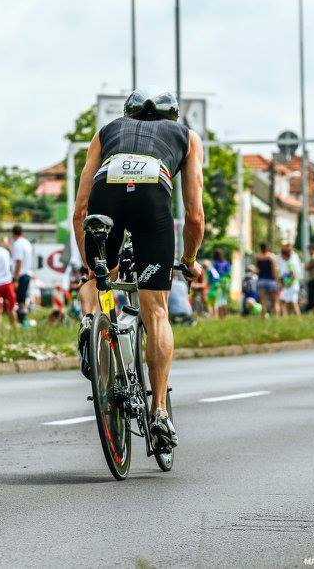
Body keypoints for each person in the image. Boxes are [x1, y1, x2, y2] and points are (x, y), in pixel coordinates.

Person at [73, 88, 204, 451]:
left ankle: (91, 323)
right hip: (152, 205)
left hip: (106, 194)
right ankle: (159, 411)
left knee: (99, 282)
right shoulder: (187, 138)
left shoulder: (107, 131)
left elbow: (80, 210)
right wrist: (190, 261)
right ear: (172, 117)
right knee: (157, 312)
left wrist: (92, 266)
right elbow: (194, 215)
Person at [11, 225, 34, 325]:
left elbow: (18, 261)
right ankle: (22, 319)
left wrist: (16, 278)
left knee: (19, 299)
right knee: (22, 298)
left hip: (20, 275)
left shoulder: (17, 244)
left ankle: (21, 320)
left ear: (13, 233)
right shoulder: (27, 243)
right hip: (27, 273)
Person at [278, 240, 302, 316]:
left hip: (291, 285)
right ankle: (286, 318)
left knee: (291, 303)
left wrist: (288, 284)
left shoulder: (292, 260)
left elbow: (293, 275)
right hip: (288, 284)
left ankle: (298, 319)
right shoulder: (283, 258)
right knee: (285, 302)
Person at [255, 242, 280, 316]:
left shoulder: (258, 257)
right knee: (275, 301)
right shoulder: (271, 256)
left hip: (261, 280)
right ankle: (276, 316)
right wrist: (277, 280)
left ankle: (264, 316)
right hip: (271, 281)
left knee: (263, 301)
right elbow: (274, 270)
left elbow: (257, 269)